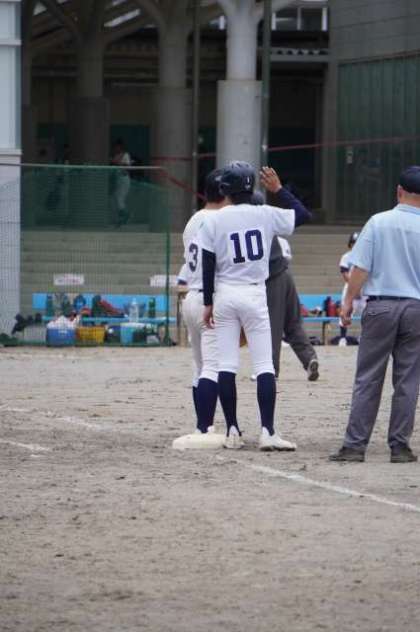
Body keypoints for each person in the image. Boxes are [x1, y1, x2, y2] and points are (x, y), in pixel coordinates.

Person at [199, 162, 311, 451]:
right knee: (264, 365)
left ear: (225, 189)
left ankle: (232, 431)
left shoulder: (213, 219)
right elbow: (303, 215)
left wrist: (208, 302)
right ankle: (267, 431)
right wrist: (279, 190)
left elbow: (208, 264)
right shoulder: (265, 214)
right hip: (254, 292)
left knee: (226, 364)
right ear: (253, 188)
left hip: (225, 293)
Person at [330, 166, 420, 463]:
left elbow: (360, 268)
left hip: (381, 305)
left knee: (368, 377)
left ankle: (355, 446)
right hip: (416, 308)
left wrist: (348, 302)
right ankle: (400, 447)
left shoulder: (379, 222)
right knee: (408, 380)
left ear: (399, 191)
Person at [181, 169, 227, 435]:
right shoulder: (219, 220)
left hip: (190, 296)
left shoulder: (193, 220)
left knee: (199, 366)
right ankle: (204, 427)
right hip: (210, 298)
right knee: (213, 366)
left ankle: (202, 424)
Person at [338, 231, 366, 346]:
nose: (355, 245)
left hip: (364, 289)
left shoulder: (366, 257)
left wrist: (360, 287)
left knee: (367, 314)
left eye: (358, 243)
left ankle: (363, 337)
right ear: (350, 244)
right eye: (353, 243)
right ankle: (343, 338)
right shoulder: (346, 257)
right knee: (346, 312)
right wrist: (355, 287)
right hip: (350, 288)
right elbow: (345, 274)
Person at [111, 139, 131, 227]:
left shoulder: (125, 155)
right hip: (118, 179)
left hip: (124, 178)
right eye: (115, 146)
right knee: (115, 199)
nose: (116, 148)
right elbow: (113, 163)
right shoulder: (116, 155)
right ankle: (120, 219)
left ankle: (126, 215)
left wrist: (117, 162)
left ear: (121, 146)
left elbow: (127, 167)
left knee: (120, 199)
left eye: (117, 146)